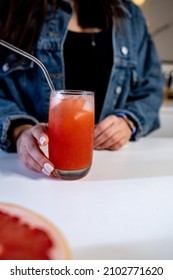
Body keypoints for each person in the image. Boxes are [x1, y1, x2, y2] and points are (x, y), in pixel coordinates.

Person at [0, 0, 163, 176]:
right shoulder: (12, 8)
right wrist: (19, 130)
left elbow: (151, 89)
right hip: (25, 172)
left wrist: (128, 121)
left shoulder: (130, 16)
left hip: (111, 170)